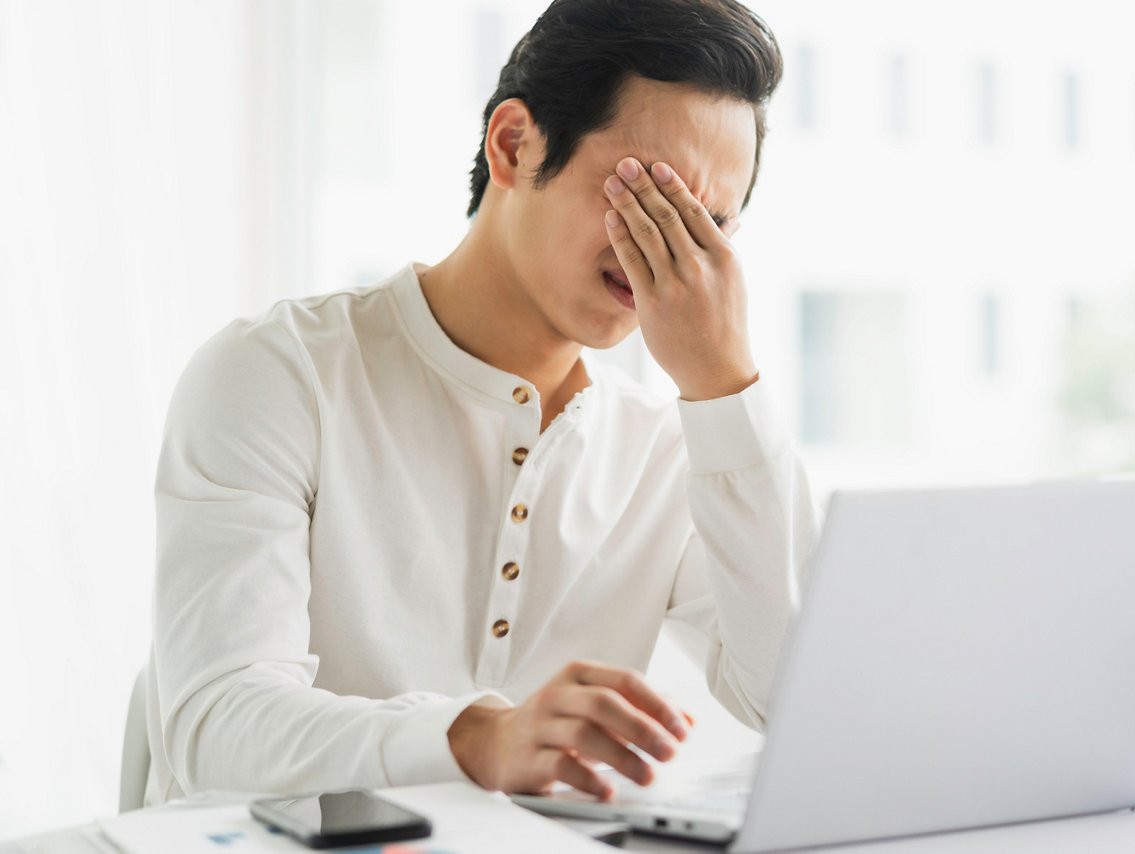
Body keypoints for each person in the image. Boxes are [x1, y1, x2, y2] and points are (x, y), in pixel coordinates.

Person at [144, 0, 822, 806]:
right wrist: (475, 740)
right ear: (513, 144)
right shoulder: (277, 376)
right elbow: (214, 726)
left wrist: (725, 384)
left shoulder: (672, 448)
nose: (667, 249)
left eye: (707, 225)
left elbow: (797, 699)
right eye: (647, 194)